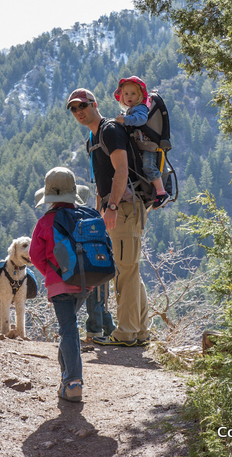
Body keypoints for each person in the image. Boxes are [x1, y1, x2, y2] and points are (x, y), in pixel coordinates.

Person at [66, 88, 151, 348]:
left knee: (124, 271)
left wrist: (112, 207)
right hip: (113, 208)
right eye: (74, 109)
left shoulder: (110, 130)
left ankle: (126, 333)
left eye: (83, 105)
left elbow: (121, 170)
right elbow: (100, 180)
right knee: (129, 269)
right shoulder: (94, 137)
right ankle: (141, 331)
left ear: (94, 104)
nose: (79, 111)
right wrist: (99, 212)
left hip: (123, 208)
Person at [30, 166, 91, 402]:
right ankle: (66, 376)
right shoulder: (84, 217)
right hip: (86, 284)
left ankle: (73, 382)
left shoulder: (45, 222)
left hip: (60, 286)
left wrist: (52, 274)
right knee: (70, 327)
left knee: (68, 329)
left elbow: (36, 256)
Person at [114, 76, 170, 209]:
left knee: (148, 167)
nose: (129, 97)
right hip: (144, 146)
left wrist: (125, 120)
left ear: (140, 96)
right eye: (126, 93)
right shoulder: (132, 109)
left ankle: (162, 193)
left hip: (149, 147)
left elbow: (141, 120)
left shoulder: (140, 108)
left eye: (133, 94)